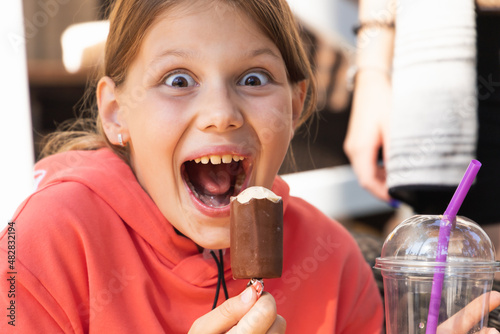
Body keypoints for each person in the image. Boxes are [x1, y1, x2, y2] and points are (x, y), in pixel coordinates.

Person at [0, 0, 385, 333]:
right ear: (116, 113)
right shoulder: (41, 245)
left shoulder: (333, 261)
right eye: (178, 80)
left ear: (295, 104)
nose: (221, 114)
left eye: (254, 78)